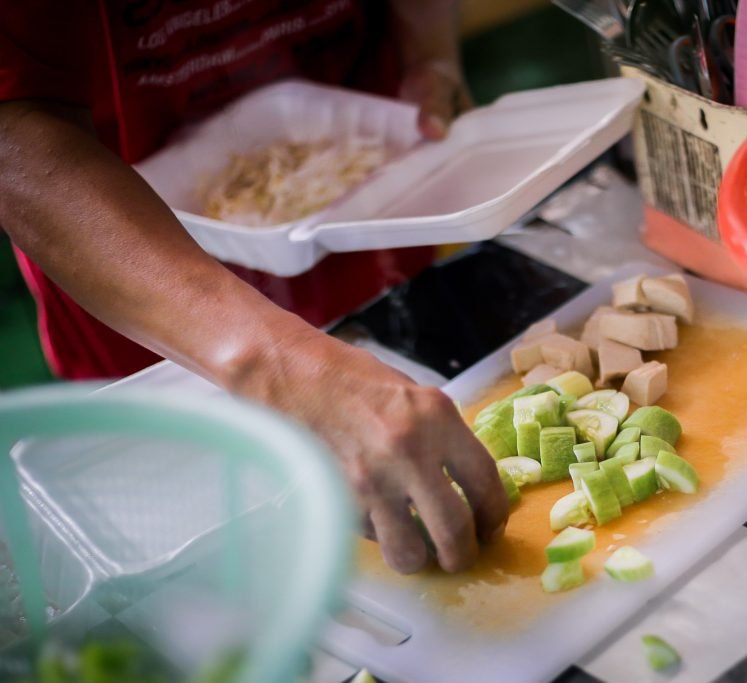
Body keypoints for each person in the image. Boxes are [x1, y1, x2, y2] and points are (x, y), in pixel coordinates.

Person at [0, 0, 507, 574]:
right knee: (192, 555)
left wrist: (431, 56)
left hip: (363, 185)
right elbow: (12, 135)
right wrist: (277, 365)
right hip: (139, 265)